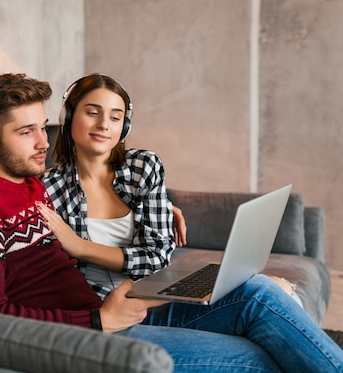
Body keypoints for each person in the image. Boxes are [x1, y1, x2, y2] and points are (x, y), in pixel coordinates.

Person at [0, 73, 343, 372]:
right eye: (26, 132)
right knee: (262, 358)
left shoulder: (33, 185)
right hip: (87, 334)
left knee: (255, 291)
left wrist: (164, 209)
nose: (42, 142)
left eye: (42, 128)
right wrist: (97, 320)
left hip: (111, 308)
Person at [39, 73, 301, 305]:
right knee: (265, 295)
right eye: (92, 112)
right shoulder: (48, 187)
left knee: (277, 286)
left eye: (115, 117)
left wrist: (80, 246)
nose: (104, 124)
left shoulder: (143, 165)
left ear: (124, 126)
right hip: (109, 302)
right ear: (68, 117)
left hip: (155, 287)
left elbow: (156, 259)